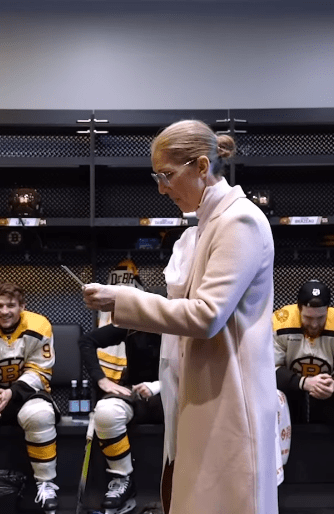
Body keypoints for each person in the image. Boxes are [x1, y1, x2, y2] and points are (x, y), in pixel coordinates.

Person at [82, 119, 278, 514]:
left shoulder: (238, 221)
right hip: (203, 393)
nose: (162, 188)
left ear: (202, 167)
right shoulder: (206, 226)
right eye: (158, 176)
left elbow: (206, 315)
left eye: (168, 175)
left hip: (229, 399)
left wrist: (125, 299)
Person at [78, 323, 163, 514]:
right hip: (136, 392)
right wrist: (101, 379)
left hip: (179, 394)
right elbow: (87, 341)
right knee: (106, 411)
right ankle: (122, 478)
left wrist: (160, 385)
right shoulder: (134, 322)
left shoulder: (184, 318)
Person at [0, 282, 59, 513]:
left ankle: (45, 484)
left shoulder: (38, 325)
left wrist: (11, 393)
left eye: (11, 305)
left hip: (25, 394)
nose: (4, 311)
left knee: (39, 415)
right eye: (0, 306)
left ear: (22, 306)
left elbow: (39, 370)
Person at [273, 279, 334, 423]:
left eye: (320, 318)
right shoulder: (280, 322)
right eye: (308, 317)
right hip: (290, 392)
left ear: (328, 310)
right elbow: (267, 368)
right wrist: (303, 382)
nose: (314, 324)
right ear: (299, 308)